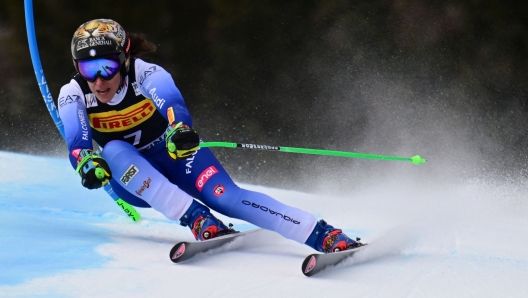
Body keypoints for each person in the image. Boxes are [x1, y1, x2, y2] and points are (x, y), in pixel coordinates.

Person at [59, 18, 361, 253]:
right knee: (112, 150)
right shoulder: (73, 94)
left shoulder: (146, 73)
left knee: (226, 197)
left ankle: (321, 234)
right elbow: (77, 144)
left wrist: (180, 129)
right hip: (134, 180)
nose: (99, 80)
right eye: (88, 68)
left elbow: (172, 104)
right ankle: (195, 218)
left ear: (123, 58)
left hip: (176, 154)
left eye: (107, 66)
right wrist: (85, 162)